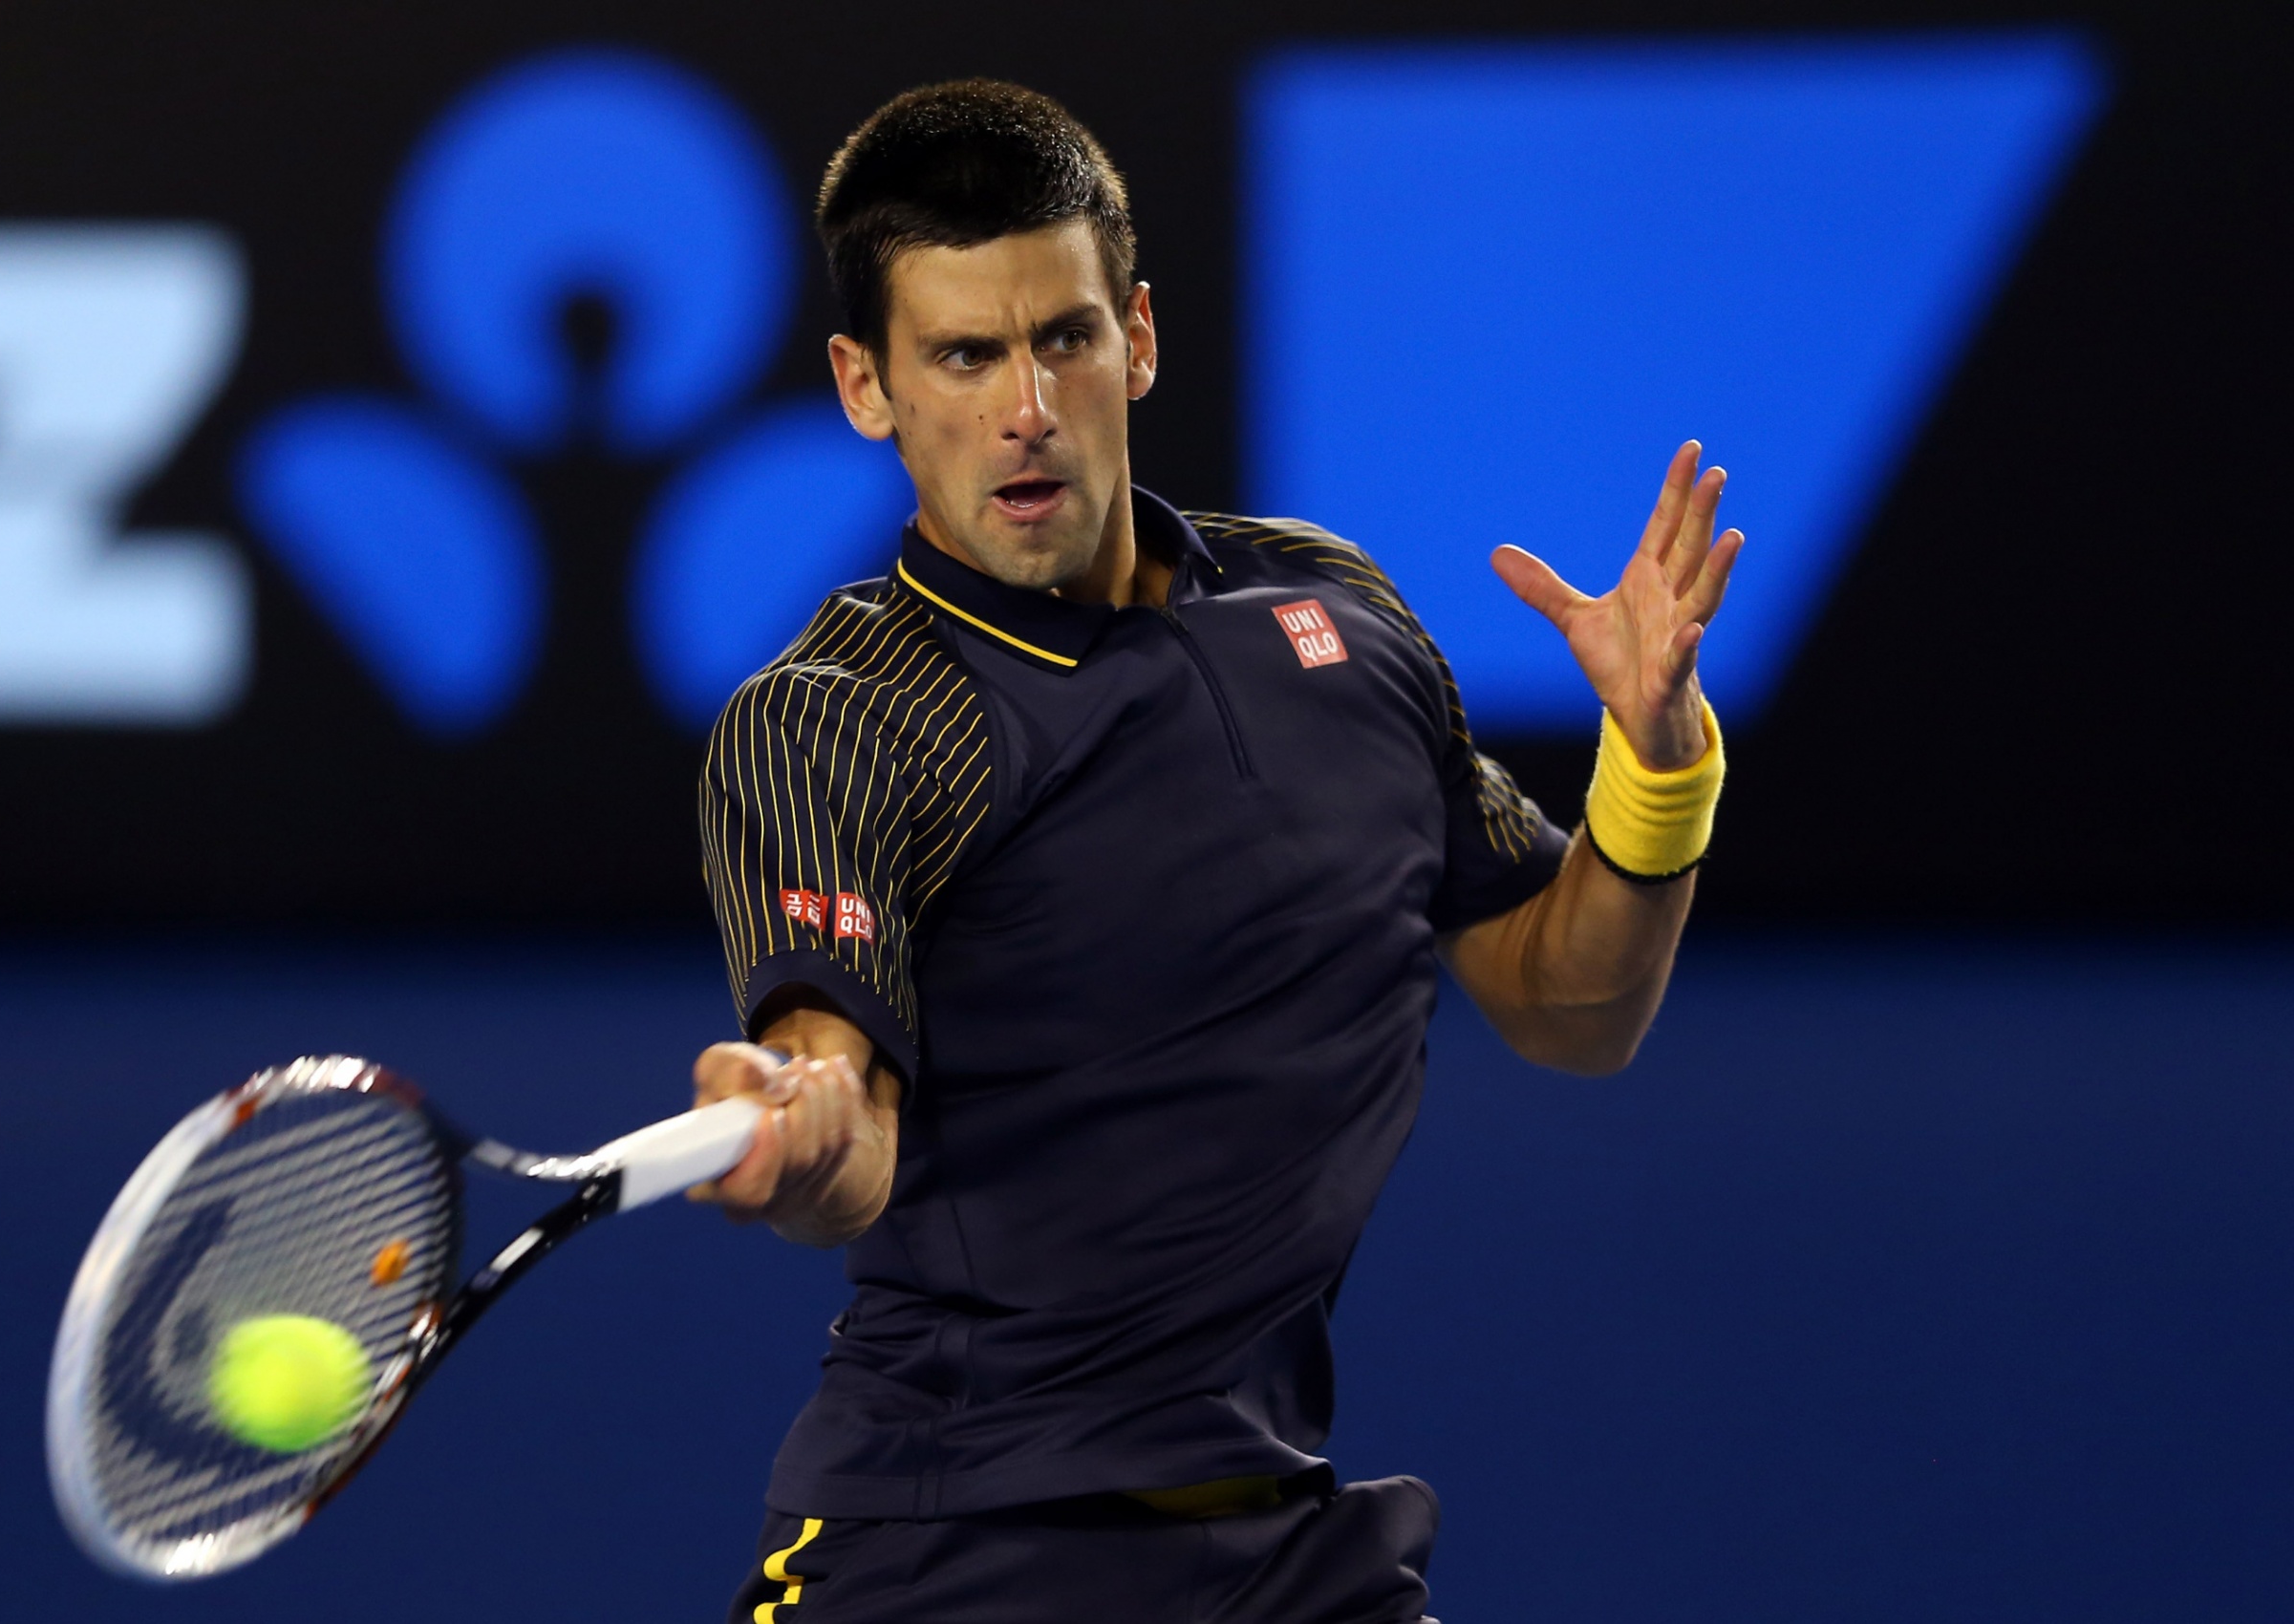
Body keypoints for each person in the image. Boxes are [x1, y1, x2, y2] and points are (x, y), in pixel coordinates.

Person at [690, 79, 1739, 1623]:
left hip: (1286, 1553)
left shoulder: (1338, 616)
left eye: (1065, 338)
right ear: (867, 385)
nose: (1025, 408)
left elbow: (1568, 1004)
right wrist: (802, 1118)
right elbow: (842, 1109)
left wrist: (1656, 766)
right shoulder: (835, 721)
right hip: (947, 1557)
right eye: (964, 357)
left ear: (1141, 339)